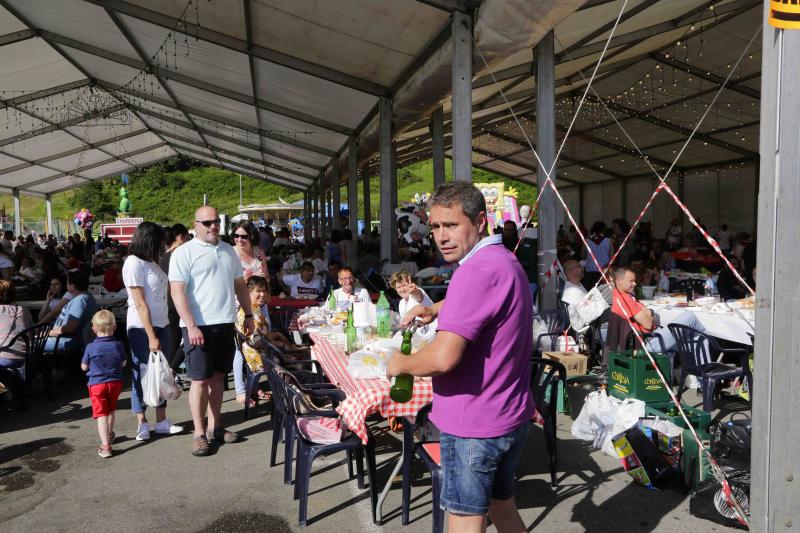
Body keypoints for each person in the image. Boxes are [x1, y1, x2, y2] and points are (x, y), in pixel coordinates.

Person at [387, 182, 533, 533]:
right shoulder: (501, 259)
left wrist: (399, 364)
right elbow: (485, 301)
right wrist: (436, 308)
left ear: (480, 221)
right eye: (436, 226)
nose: (441, 236)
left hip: (474, 424)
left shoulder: (474, 271)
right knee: (503, 510)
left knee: (464, 522)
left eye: (452, 225)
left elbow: (442, 358)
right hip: (508, 415)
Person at [169, 206, 253, 457]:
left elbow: (240, 285)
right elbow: (177, 291)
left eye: (215, 221)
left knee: (218, 378)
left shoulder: (228, 251)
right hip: (197, 326)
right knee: (199, 380)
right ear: (195, 224)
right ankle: (198, 433)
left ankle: (217, 426)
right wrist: (191, 325)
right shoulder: (184, 253)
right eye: (206, 222)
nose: (212, 226)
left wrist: (248, 315)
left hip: (224, 323)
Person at [123, 222, 183, 441]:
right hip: (141, 327)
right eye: (159, 240)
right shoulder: (133, 263)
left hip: (162, 323)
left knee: (161, 372)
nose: (162, 244)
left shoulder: (152, 262)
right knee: (142, 373)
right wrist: (151, 336)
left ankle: (161, 420)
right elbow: (140, 304)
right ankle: (142, 422)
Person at [610, 267, 704, 353]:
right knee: (689, 316)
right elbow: (648, 323)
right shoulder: (625, 300)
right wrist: (648, 313)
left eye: (634, 281)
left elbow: (647, 312)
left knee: (699, 339)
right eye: (631, 281)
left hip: (650, 337)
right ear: (619, 281)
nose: (635, 284)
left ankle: (702, 369)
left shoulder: (619, 296)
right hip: (650, 341)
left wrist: (648, 312)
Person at [80, 310, 126, 458]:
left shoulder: (90, 347)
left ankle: (106, 446)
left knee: (102, 415)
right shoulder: (119, 345)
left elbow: (84, 367)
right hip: (115, 383)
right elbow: (124, 362)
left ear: (94, 329)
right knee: (111, 410)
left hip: (97, 384)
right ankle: (110, 433)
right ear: (115, 327)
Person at [160, 223, 190, 377]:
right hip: (180, 301)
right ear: (180, 236)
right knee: (189, 337)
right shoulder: (180, 255)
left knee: (174, 339)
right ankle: (170, 369)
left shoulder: (163, 257)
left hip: (167, 303)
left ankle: (168, 371)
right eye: (187, 237)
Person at [44, 270, 97, 354]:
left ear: (73, 286)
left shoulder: (80, 300)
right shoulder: (87, 296)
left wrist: (47, 333)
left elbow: (70, 328)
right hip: (63, 338)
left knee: (26, 343)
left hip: (64, 340)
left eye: (67, 283)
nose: (66, 285)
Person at [0, 280, 33, 387]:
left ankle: (4, 391)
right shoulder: (23, 310)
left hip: (5, 359)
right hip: (27, 357)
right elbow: (31, 330)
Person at [584, 221, 613, 290]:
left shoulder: (587, 240)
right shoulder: (609, 240)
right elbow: (611, 256)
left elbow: (583, 256)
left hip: (590, 270)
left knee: (590, 291)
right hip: (604, 270)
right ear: (604, 230)